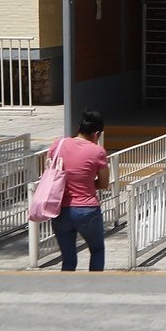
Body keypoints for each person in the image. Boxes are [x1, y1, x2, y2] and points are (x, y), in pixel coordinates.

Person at [49, 109, 110, 271]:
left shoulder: (58, 144)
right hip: (87, 210)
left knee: (68, 260)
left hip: (60, 210)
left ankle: (66, 286)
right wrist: (86, 183)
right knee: (97, 250)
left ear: (78, 128)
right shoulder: (97, 151)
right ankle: (94, 285)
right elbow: (104, 183)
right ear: (96, 134)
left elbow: (50, 174)